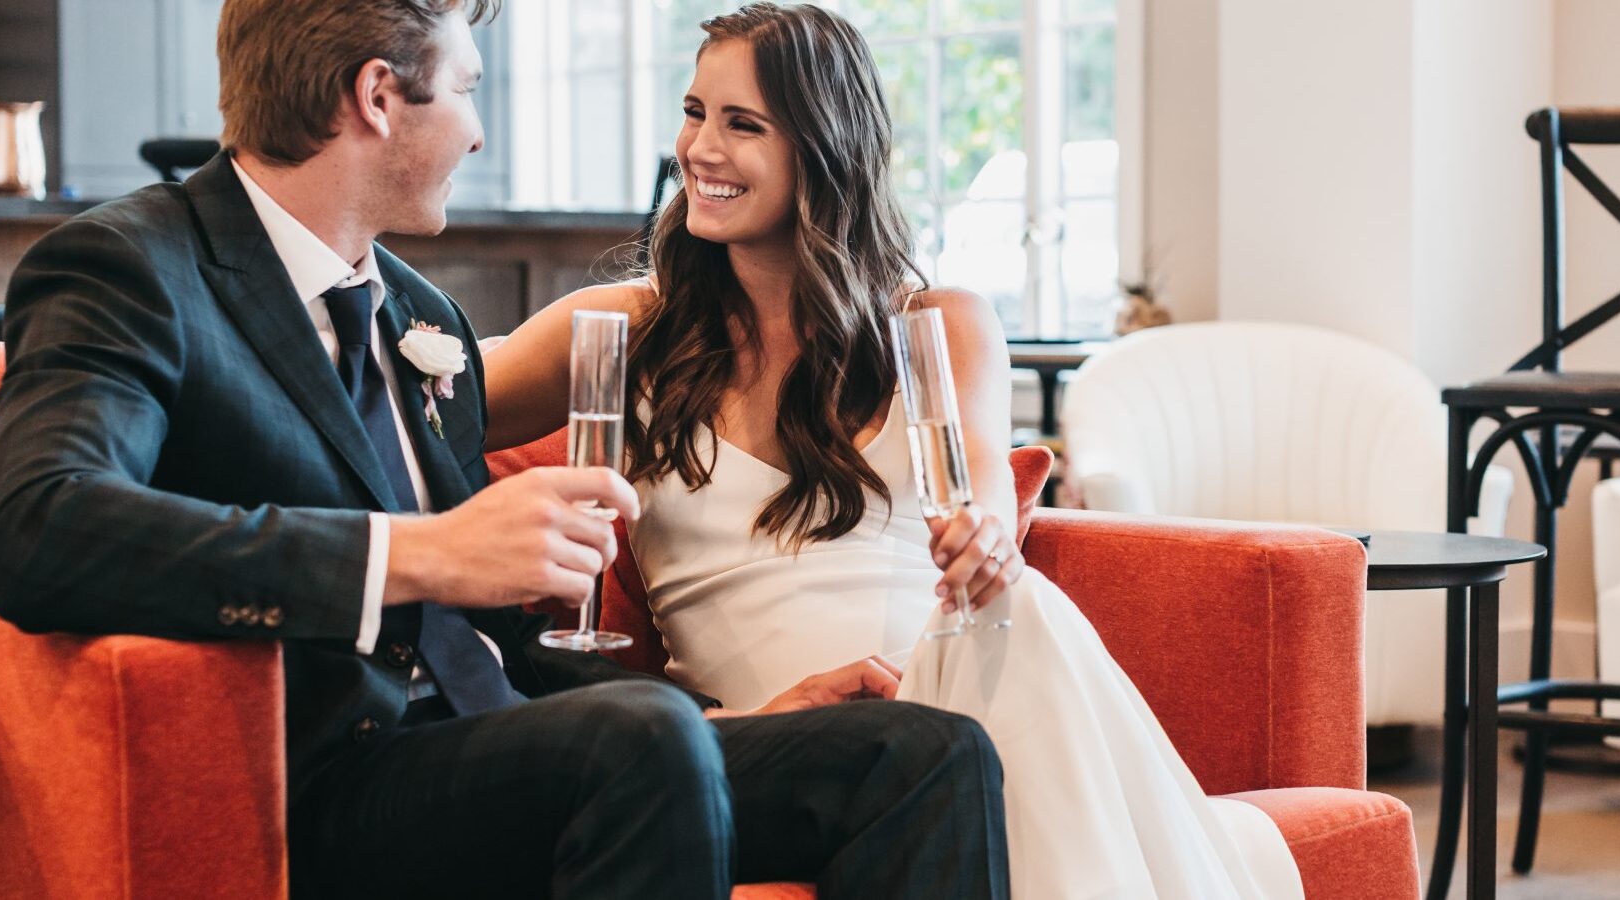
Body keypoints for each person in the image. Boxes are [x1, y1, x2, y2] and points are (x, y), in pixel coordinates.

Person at [0, 1, 1009, 897]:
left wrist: (730, 722)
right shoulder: (131, 268)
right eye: (466, 88)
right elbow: (39, 525)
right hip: (334, 772)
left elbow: (497, 656)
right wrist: (414, 554)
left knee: (921, 753)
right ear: (380, 96)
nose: (477, 133)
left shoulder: (417, 316)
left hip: (515, 744)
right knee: (640, 739)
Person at [483, 4, 1304, 897]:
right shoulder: (624, 327)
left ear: (824, 147)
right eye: (694, 112)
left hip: (948, 677)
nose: (699, 149)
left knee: (1021, 611)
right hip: (783, 743)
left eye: (742, 124)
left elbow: (980, 494)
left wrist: (985, 540)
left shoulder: (940, 324)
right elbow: (423, 401)